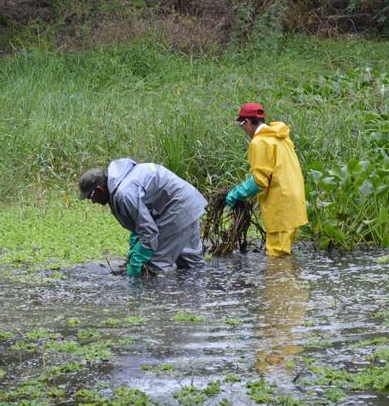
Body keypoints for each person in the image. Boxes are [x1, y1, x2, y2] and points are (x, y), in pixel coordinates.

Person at [78, 158, 207, 277]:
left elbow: (149, 233)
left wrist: (137, 259)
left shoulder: (124, 193)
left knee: (152, 268)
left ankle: (154, 300)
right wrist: (136, 240)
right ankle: (196, 300)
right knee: (192, 265)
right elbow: (144, 214)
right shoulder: (121, 180)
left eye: (90, 197)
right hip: (190, 201)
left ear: (100, 189)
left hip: (178, 209)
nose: (93, 202)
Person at [226, 103, 308, 256]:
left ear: (248, 123)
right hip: (295, 205)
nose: (244, 130)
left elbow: (260, 181)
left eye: (242, 125)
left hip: (281, 209)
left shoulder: (260, 142)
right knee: (284, 256)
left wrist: (236, 193)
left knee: (277, 260)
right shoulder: (281, 136)